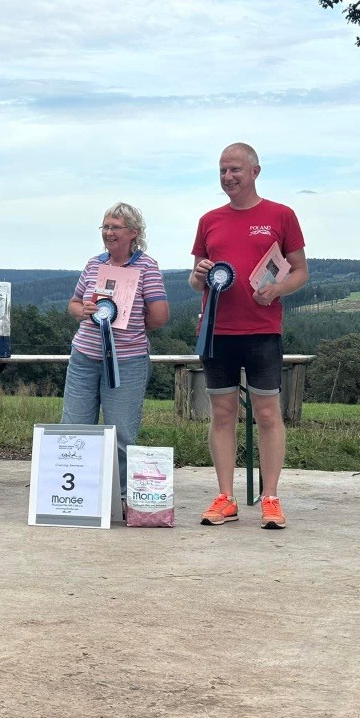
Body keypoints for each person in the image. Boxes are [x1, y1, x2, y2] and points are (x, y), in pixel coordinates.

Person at [190, 142, 309, 529]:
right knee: (222, 414)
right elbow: (195, 280)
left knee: (268, 413)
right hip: (216, 332)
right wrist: (198, 275)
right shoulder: (209, 220)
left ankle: (270, 498)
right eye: (223, 170)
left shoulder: (281, 214)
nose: (228, 177)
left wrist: (277, 290)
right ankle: (225, 497)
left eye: (236, 170)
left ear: (256, 171)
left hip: (262, 331)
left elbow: (300, 272)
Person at [61, 203, 169, 509]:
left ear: (133, 233)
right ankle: (77, 494)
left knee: (121, 432)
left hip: (127, 361)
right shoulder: (93, 264)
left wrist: (129, 326)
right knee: (74, 428)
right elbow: (73, 303)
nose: (108, 233)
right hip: (84, 356)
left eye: (115, 227)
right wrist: (82, 311)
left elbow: (160, 316)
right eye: (105, 227)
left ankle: (121, 498)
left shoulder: (146, 266)